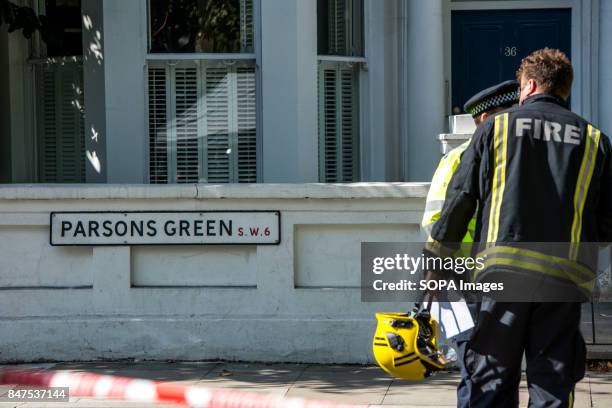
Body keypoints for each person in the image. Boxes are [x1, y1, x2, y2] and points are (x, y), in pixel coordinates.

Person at [424, 48, 612, 407]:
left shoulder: (495, 128)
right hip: (565, 278)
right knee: (552, 384)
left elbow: (463, 198)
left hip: (502, 275)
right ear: (563, 90)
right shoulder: (594, 139)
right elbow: (606, 222)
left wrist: (437, 258)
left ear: (528, 85)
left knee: (490, 379)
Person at [421, 80, 519, 408]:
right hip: (460, 284)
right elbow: (437, 223)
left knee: (495, 374)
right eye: (506, 115)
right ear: (485, 120)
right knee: (478, 373)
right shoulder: (459, 159)